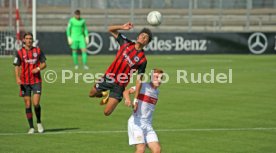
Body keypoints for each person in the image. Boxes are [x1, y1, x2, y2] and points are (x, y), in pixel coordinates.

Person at [89, 22, 152, 116]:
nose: (143, 37)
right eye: (142, 35)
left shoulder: (143, 60)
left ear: (146, 43)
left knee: (107, 112)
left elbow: (139, 81)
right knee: (91, 94)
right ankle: (104, 93)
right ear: (138, 36)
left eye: (145, 38)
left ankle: (109, 96)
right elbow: (110, 29)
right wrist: (122, 27)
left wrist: (135, 99)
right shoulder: (126, 43)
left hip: (119, 86)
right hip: (108, 78)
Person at [13, 32, 47, 134]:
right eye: (27, 38)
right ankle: (31, 127)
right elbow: (16, 66)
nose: (29, 40)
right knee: (27, 104)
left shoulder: (38, 50)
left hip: (36, 80)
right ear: (24, 40)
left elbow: (44, 64)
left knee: (36, 103)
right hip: (24, 82)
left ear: (32, 40)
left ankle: (39, 122)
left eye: (30, 38)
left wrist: (37, 68)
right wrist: (17, 78)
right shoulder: (19, 52)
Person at [124, 68, 164, 153]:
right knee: (141, 149)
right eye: (156, 77)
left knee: (157, 150)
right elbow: (126, 92)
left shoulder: (157, 92)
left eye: (161, 78)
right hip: (136, 123)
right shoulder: (143, 86)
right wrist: (127, 100)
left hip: (148, 125)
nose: (159, 80)